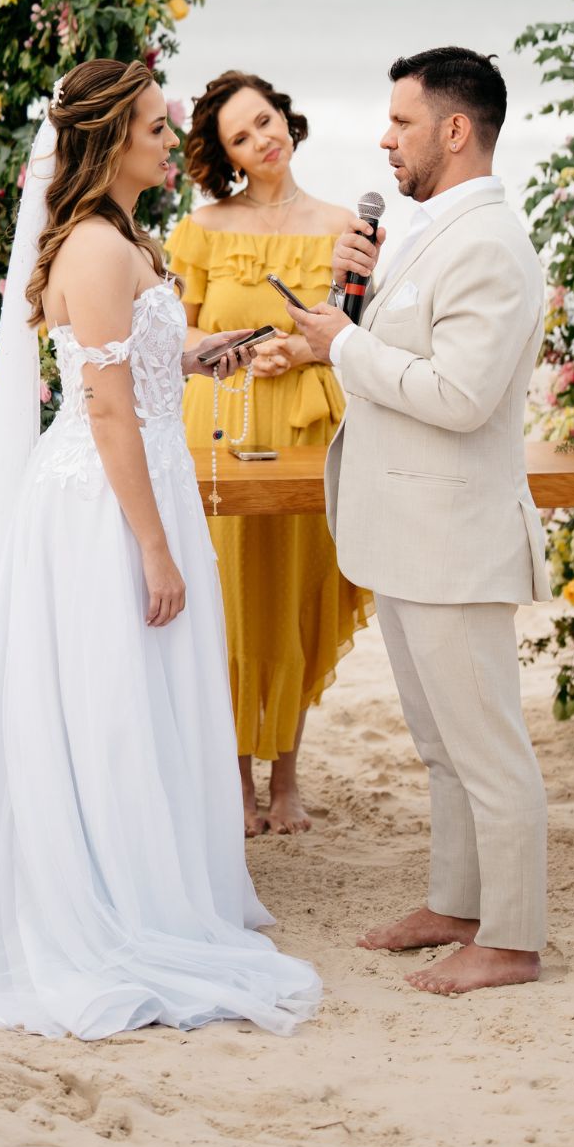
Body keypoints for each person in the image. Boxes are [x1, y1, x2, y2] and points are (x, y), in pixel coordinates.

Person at [0, 59, 321, 1038]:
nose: (176, 140)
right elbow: (106, 410)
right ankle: (113, 894)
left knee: (138, 692)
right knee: (111, 696)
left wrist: (201, 349)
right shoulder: (90, 245)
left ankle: (149, 872)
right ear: (108, 140)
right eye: (157, 127)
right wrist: (155, 548)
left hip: (141, 477)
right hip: (104, 500)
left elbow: (135, 357)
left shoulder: (122, 235)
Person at [285, 46, 550, 997]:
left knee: (487, 749)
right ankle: (456, 902)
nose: (383, 137)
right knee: (442, 743)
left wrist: (343, 343)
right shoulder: (427, 230)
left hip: (454, 538)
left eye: (400, 122)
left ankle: (512, 940)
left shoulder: (490, 242)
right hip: (405, 529)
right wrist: (351, 306)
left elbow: (462, 396)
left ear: (453, 128)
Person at [166, 71, 373, 836]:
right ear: (226, 156)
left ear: (286, 117)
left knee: (287, 595)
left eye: (266, 120)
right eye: (241, 136)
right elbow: (177, 333)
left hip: (304, 426)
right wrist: (227, 345)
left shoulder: (343, 224)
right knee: (225, 604)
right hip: (217, 421)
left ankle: (286, 778)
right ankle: (232, 778)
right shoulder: (202, 227)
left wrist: (302, 353)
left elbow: (357, 333)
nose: (262, 139)